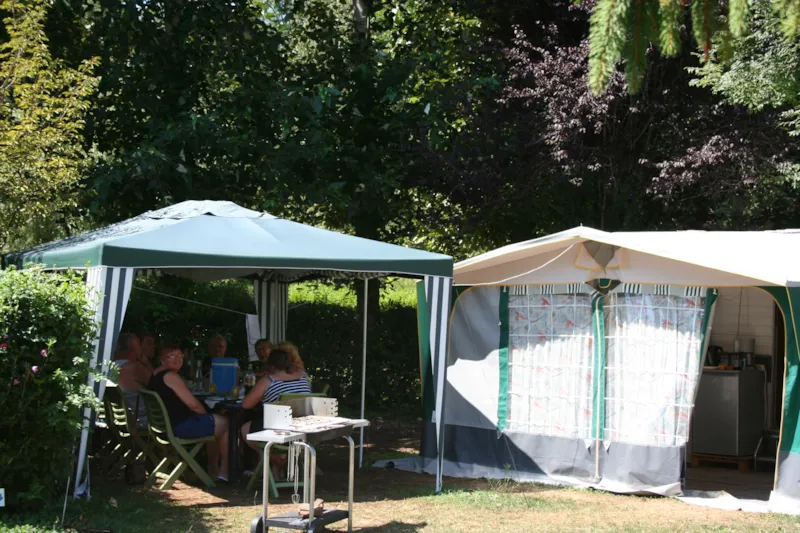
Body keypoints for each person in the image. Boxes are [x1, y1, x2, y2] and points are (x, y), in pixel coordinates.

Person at [149, 345, 230, 481]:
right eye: (172, 356)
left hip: (163, 427)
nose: (178, 359)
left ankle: (213, 468)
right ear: (162, 360)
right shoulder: (171, 376)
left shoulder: (154, 374)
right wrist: (206, 416)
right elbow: (193, 404)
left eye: (180, 355)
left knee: (215, 421)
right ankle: (223, 472)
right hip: (179, 427)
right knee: (225, 423)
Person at [241, 347, 311, 479]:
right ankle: (278, 465)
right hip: (304, 429)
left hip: (279, 429)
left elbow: (246, 404)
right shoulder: (302, 376)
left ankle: (276, 458)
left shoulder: (269, 380)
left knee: (245, 429)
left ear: (271, 365)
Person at [115, 332, 152, 427]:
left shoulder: (108, 367)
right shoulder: (133, 367)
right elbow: (159, 383)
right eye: (139, 345)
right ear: (134, 349)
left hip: (117, 420)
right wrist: (146, 362)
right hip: (141, 421)